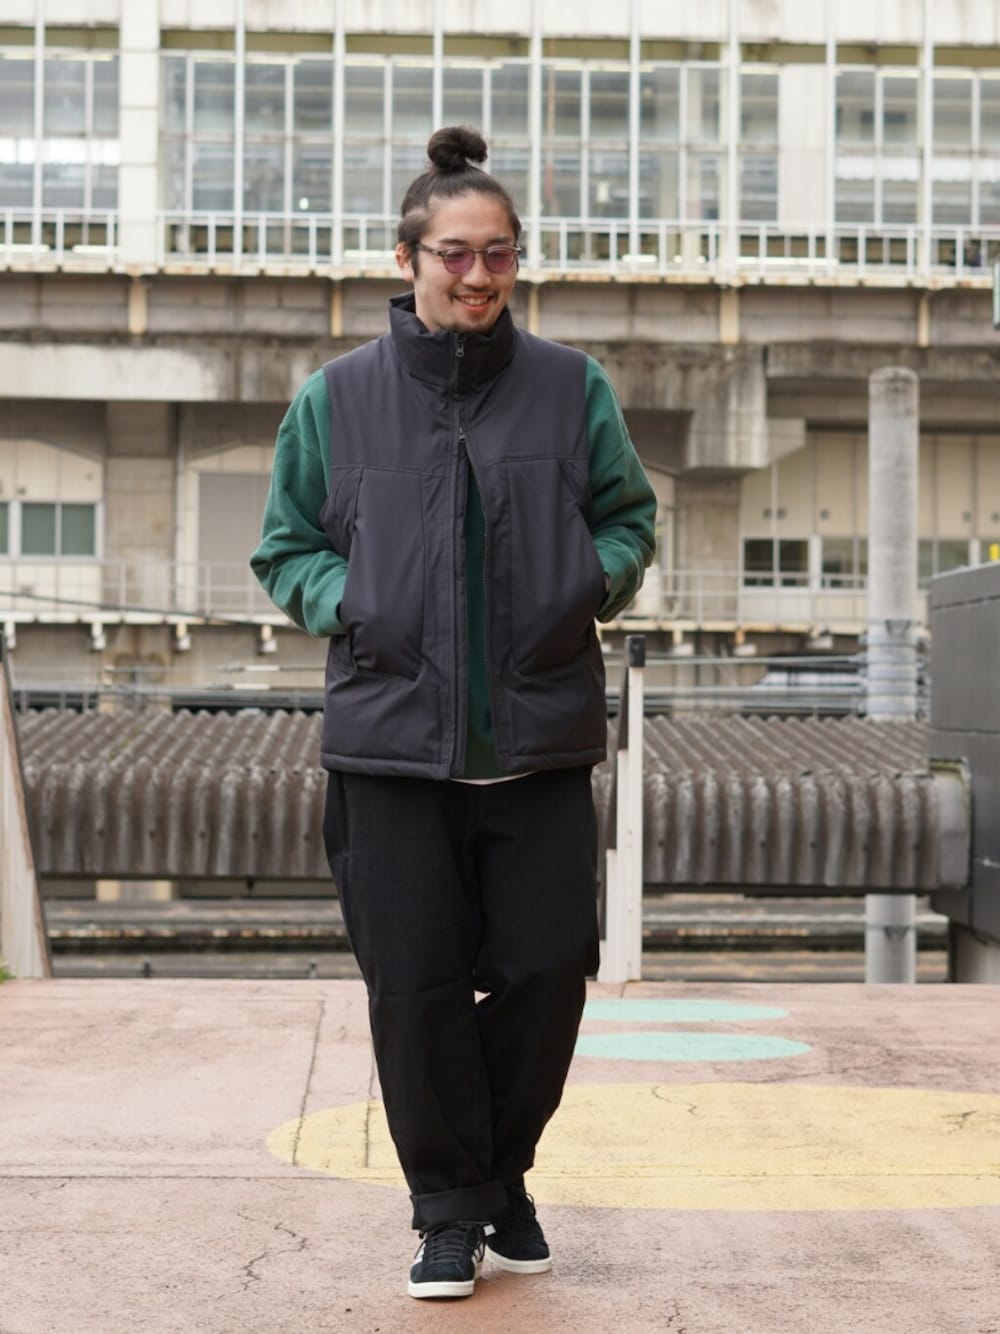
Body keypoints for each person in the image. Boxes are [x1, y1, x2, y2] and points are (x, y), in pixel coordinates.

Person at [251, 125, 657, 1301]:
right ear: (408, 257)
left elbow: (629, 519)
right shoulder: (336, 400)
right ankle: (450, 1206)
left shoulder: (571, 388)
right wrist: (355, 601)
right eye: (455, 254)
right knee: (414, 984)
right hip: (390, 748)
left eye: (499, 254)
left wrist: (588, 579)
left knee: (548, 969)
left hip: (538, 742)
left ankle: (494, 1172)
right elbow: (285, 547)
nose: (478, 275)